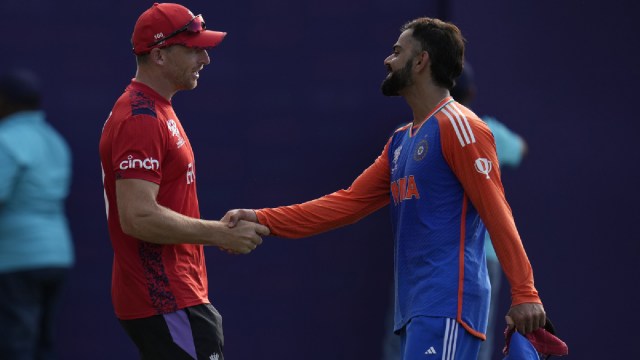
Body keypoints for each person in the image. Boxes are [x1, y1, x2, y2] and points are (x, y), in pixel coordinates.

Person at [223, 17, 547, 359]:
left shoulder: (461, 126)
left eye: (397, 51)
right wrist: (263, 218)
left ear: (421, 61)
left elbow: (496, 209)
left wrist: (525, 292)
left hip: (448, 304)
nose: (387, 60)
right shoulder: (399, 142)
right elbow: (346, 204)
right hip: (417, 308)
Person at [99, 3, 269, 359]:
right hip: (165, 297)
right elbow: (138, 217)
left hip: (174, 296)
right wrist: (219, 233)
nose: (205, 59)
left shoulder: (155, 107)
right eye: (194, 49)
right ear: (159, 54)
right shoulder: (140, 118)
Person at [450, 62, 528, 360]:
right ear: (471, 92)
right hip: (480, 256)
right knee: (477, 339)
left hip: (432, 253)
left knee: (410, 336)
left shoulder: (416, 135)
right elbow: (521, 148)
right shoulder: (488, 131)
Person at [0, 68, 74, 359]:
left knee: (14, 344)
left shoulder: (5, 140)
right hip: (57, 254)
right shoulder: (54, 139)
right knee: (43, 343)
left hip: (15, 257)